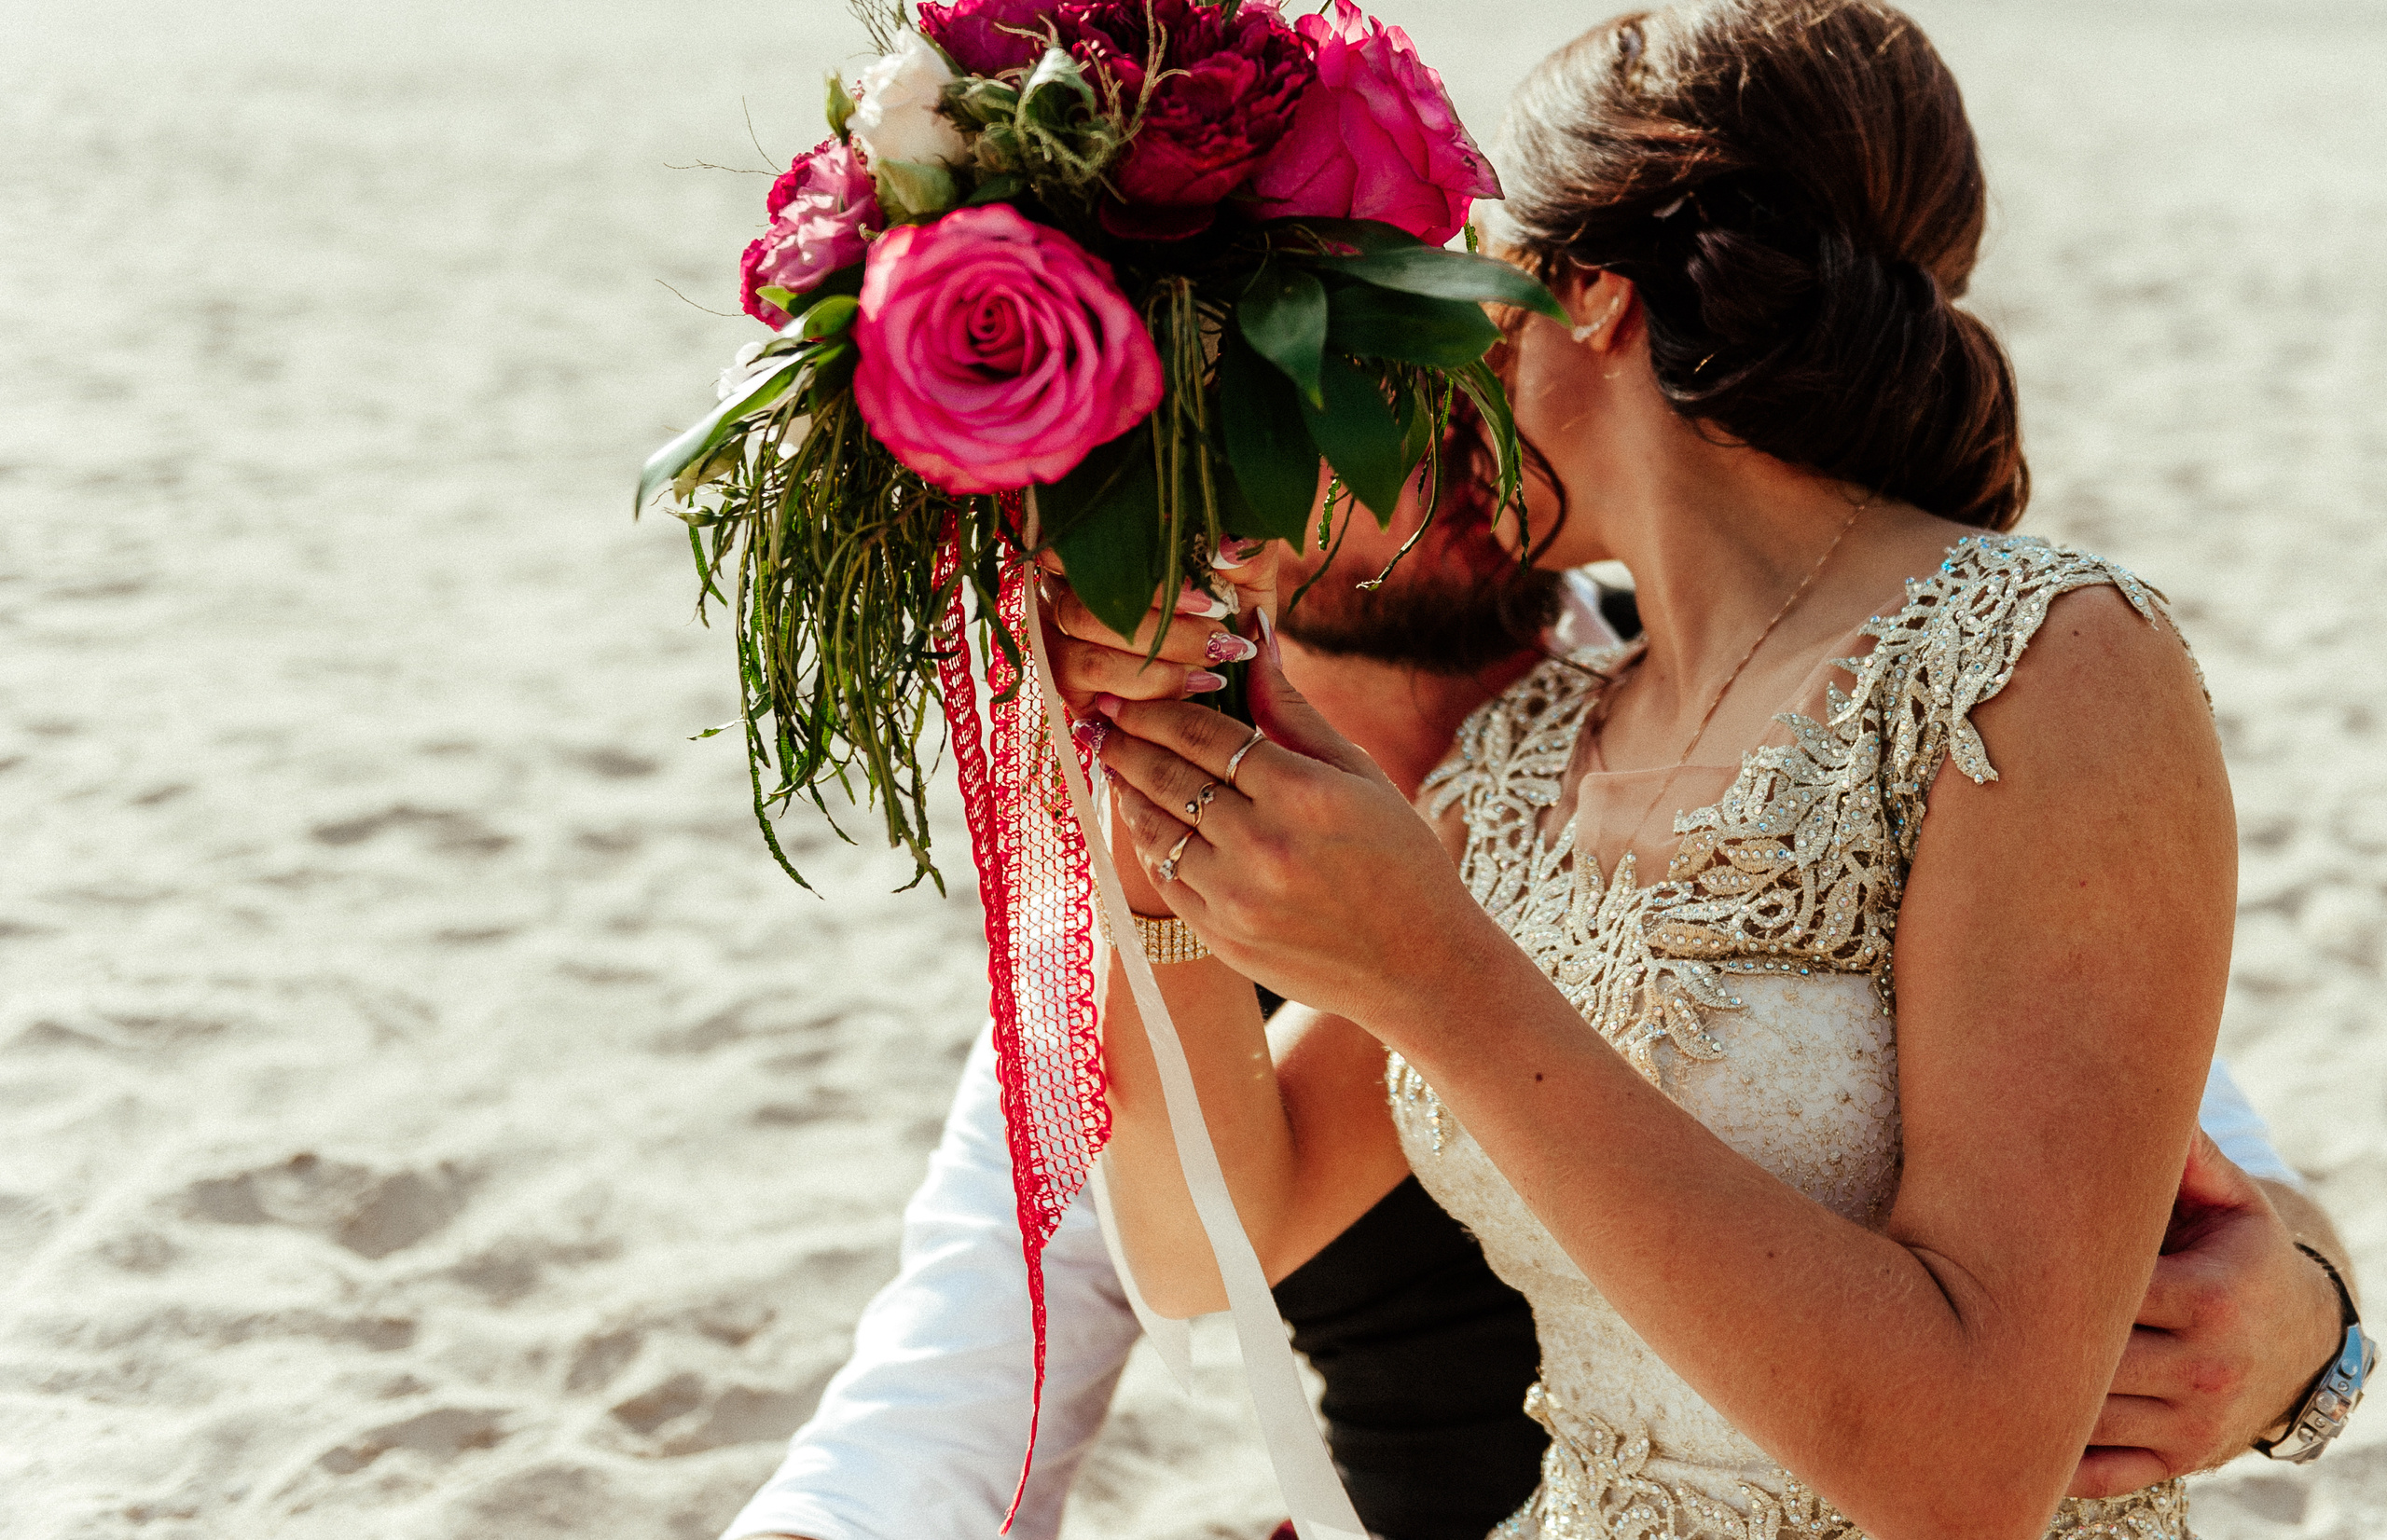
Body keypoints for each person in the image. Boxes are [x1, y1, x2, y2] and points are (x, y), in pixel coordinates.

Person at [1053, 2, 2369, 1536]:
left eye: (1461, 289)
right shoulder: (1532, 747)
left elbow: (1973, 1470)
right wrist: (1161, 759)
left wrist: (1447, 985)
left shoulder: (2044, 664)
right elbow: (1208, 1241)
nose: (1439, 363)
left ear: (1591, 293)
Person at [724, 475, 2356, 1540]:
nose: (1441, 442)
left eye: (1446, 348)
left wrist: (2314, 1319)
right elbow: (956, 1379)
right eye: (1332, 383)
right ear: (1190, 516)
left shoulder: (1794, 705)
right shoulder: (1142, 900)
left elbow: (2185, 1141)